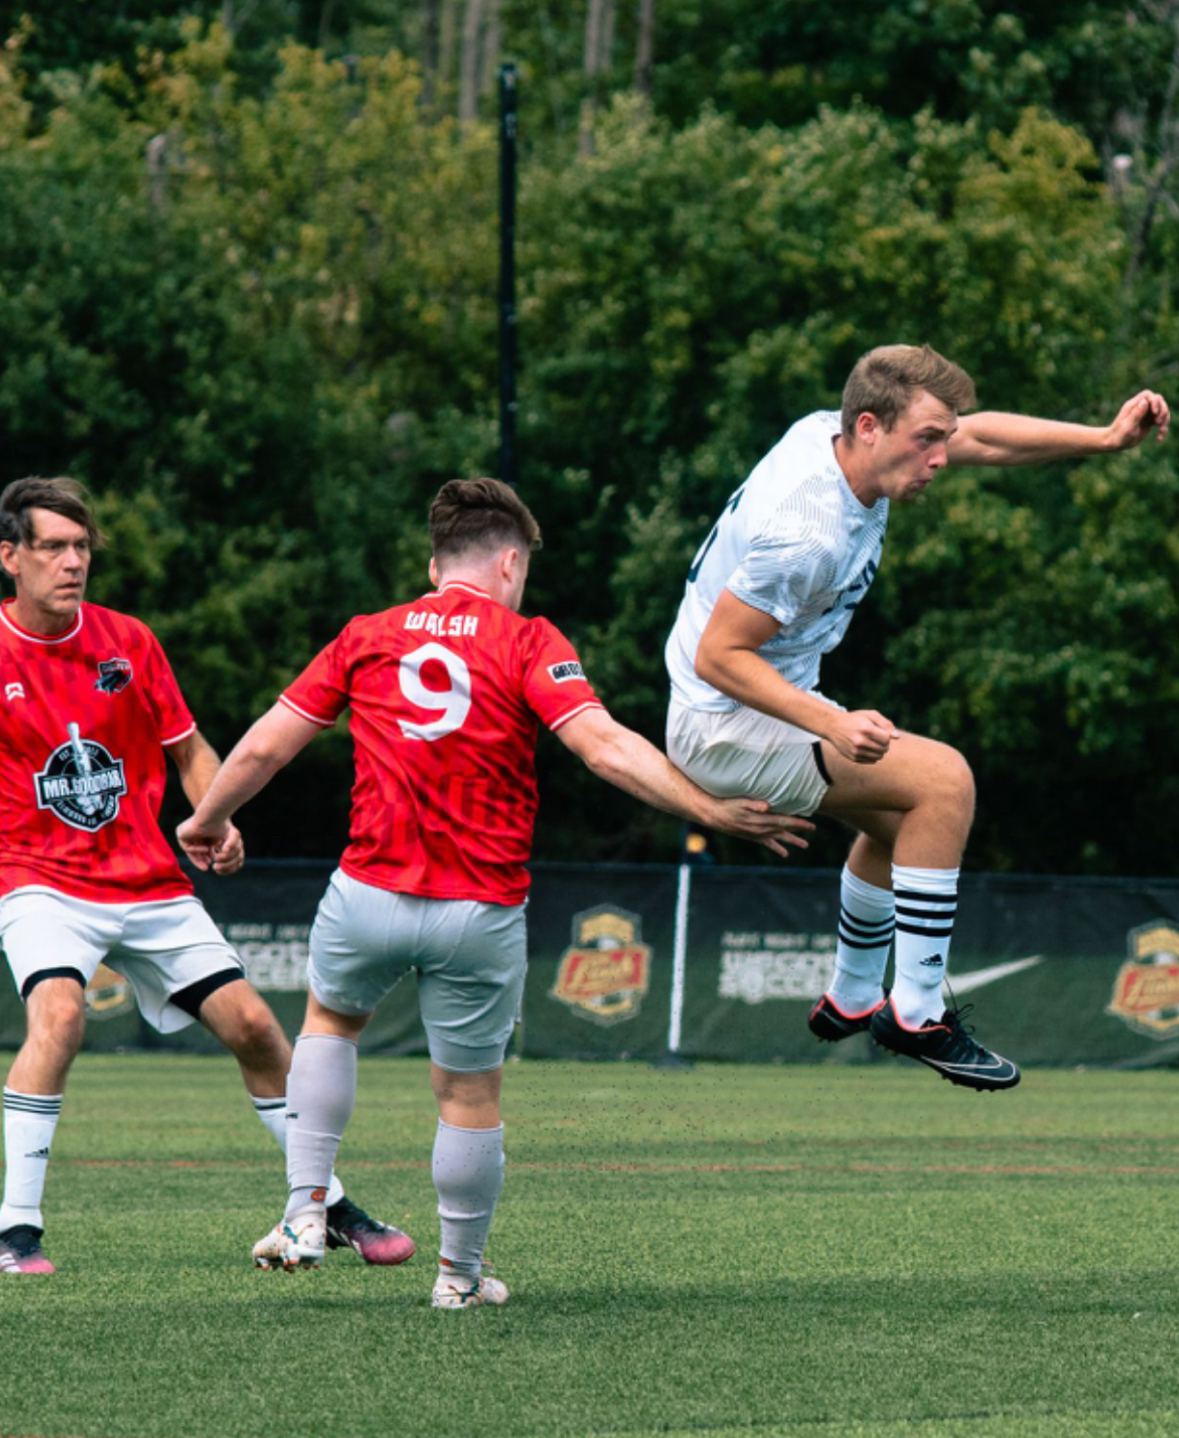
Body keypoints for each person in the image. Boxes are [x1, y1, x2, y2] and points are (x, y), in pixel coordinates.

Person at [177, 477, 812, 1308]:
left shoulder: (368, 634)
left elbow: (265, 747)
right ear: (508, 562)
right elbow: (605, 749)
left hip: (367, 890)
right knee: (467, 1092)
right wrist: (707, 808)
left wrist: (207, 819)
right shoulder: (526, 640)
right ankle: (458, 1279)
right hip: (478, 907)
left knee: (330, 1024)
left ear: (434, 562)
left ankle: (303, 1213)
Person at [664, 344, 1170, 1091]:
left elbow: (985, 434)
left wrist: (1100, 438)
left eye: (942, 437)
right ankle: (915, 1013)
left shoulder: (832, 438)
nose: (940, 455)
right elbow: (719, 656)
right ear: (868, 426)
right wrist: (828, 722)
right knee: (944, 782)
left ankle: (854, 995)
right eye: (926, 439)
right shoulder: (808, 530)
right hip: (721, 719)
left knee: (909, 830)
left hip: (748, 701)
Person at [0, 476, 410, 1275]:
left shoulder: (129, 640)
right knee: (61, 1016)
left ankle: (320, 1204)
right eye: (53, 546)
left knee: (257, 1028)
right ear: (8, 557)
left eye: (82, 546)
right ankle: (16, 1230)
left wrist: (214, 816)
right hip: (40, 878)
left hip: (146, 879)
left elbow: (186, 749)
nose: (73, 561)